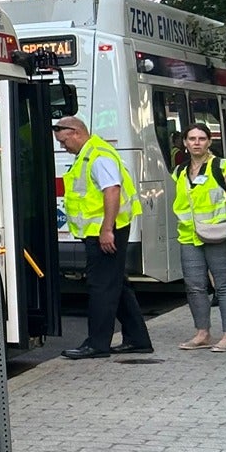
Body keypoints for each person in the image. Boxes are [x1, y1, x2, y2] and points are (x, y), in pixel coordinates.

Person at [55, 115, 154, 360]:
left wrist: (106, 229)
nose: (62, 146)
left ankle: (97, 344)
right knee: (116, 285)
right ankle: (137, 339)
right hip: (102, 230)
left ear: (76, 132)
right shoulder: (90, 154)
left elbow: (112, 190)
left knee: (101, 287)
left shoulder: (98, 156)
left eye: (64, 141)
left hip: (106, 232)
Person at [171, 123, 226, 353]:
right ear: (184, 142)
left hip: (221, 234)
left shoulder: (222, 166)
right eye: (191, 138)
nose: (196, 142)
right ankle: (202, 333)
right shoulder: (180, 171)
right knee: (194, 287)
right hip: (190, 236)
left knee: (224, 286)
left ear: (209, 142)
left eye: (201, 138)